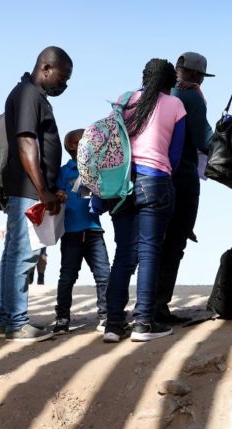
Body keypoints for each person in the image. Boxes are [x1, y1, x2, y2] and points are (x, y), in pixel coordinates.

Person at [102, 58, 186, 343]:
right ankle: (142, 323)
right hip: (156, 181)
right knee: (150, 253)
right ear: (169, 82)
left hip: (122, 183)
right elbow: (175, 154)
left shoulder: (124, 100)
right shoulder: (175, 105)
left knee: (124, 254)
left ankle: (113, 324)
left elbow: (112, 143)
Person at [0, 46, 72, 342]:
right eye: (62, 77)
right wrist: (43, 190)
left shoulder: (30, 94)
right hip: (29, 189)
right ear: (46, 68)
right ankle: (16, 322)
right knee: (24, 255)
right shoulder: (28, 94)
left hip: (28, 187)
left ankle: (7, 319)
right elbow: (27, 141)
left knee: (14, 254)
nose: (64, 84)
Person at [154, 52, 214, 324]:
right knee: (175, 242)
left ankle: (148, 303)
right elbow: (204, 139)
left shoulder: (158, 94)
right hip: (183, 176)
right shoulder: (191, 96)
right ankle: (159, 306)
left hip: (155, 175)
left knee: (154, 242)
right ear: (196, 75)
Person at [52, 129, 110, 334]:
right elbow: (55, 191)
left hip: (94, 231)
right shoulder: (64, 171)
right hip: (71, 233)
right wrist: (58, 194)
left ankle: (106, 316)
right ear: (72, 146)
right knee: (67, 276)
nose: (91, 143)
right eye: (86, 140)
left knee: (103, 275)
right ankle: (62, 318)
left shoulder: (96, 168)